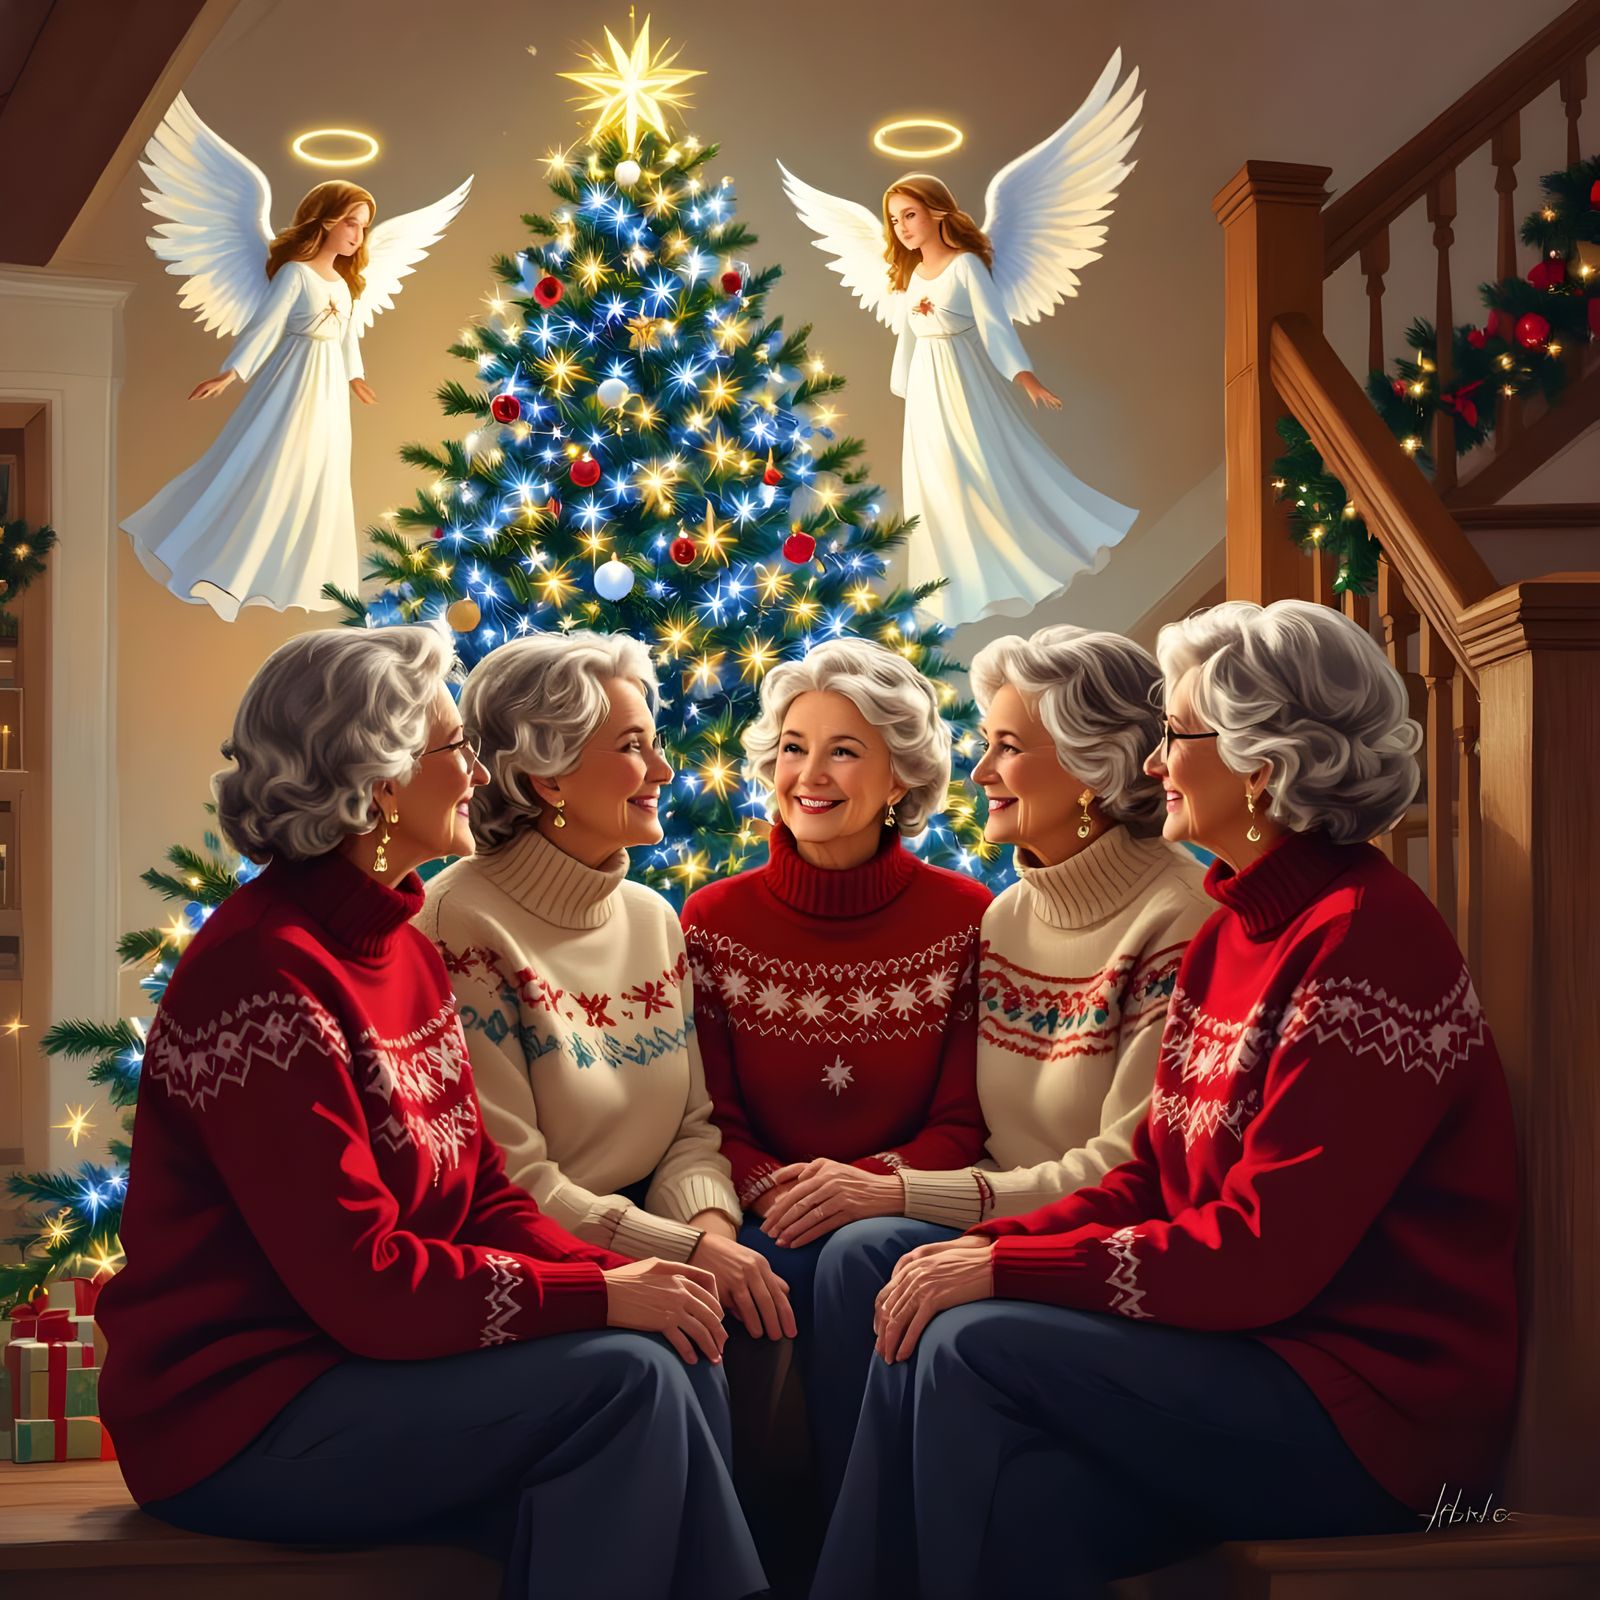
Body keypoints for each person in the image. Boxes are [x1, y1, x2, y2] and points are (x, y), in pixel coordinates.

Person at [815, 600, 1519, 1598]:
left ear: (1258, 766)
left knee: (970, 1339)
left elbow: (1263, 1256)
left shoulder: (1365, 943)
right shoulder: (1234, 928)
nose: (1153, 764)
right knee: (1021, 1500)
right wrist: (988, 1251)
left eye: (1178, 736)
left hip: (1370, 1414)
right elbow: (1151, 1176)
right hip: (1249, 1360)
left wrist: (1008, 1276)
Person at [96, 625, 765, 1600]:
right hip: (244, 1416)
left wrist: (630, 1273)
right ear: (377, 785)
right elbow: (364, 1283)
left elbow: (484, 1193)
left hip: (369, 1373)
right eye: (453, 749)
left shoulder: (398, 937)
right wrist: (600, 1295)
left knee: (673, 1342)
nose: (476, 773)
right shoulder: (263, 977)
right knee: (629, 1380)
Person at [807, 625, 1210, 1504]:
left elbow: (1126, 1166)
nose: (981, 773)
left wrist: (903, 1193)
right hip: (1013, 1205)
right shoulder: (1008, 916)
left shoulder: (1177, 918)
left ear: (1098, 770)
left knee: (872, 1243)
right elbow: (983, 1131)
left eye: (1008, 747)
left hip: (1105, 1228)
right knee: (854, 1254)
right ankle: (854, 1532)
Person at [420, 631, 795, 1345]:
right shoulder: (458, 922)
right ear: (548, 778)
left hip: (654, 1235)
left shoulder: (652, 918)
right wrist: (686, 1255)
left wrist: (711, 1235)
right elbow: (511, 1179)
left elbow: (690, 1130)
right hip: (538, 1262)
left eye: (653, 742)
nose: (661, 768)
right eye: (630, 747)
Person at [680, 638, 991, 1349]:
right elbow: (706, 1118)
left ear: (900, 779)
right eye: (793, 748)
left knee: (860, 1261)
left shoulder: (967, 918)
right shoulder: (711, 922)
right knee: (772, 1269)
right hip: (768, 1217)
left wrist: (862, 1189)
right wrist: (775, 1192)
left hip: (899, 1217)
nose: (809, 775)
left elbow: (967, 1124)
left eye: (844, 751)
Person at [778, 53, 1142, 625]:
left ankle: (1021, 548)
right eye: (894, 218)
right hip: (925, 385)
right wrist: (901, 386)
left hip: (963, 377)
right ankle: (949, 584)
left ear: (938, 212)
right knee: (934, 481)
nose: (901, 226)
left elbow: (997, 325)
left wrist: (1025, 378)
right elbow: (905, 333)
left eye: (910, 214)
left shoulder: (969, 266)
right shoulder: (905, 275)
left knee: (984, 467)